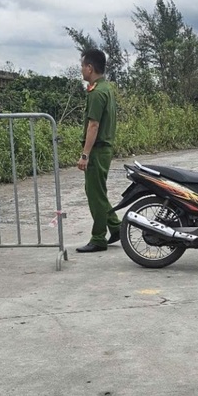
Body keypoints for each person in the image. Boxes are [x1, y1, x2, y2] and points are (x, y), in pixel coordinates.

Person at [76, 49, 121, 253]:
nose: (81, 70)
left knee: (95, 194)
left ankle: (98, 237)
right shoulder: (106, 88)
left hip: (98, 149)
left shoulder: (96, 93)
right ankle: (116, 226)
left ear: (90, 68)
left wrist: (85, 155)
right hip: (104, 148)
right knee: (96, 191)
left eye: (83, 66)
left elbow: (93, 125)